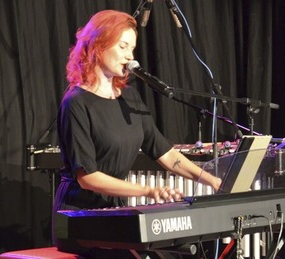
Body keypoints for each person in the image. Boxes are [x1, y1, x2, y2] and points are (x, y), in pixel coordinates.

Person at [52, 10, 222, 256]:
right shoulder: (76, 103)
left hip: (115, 212)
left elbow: (164, 153)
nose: (130, 57)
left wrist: (214, 181)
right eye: (123, 47)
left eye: (132, 49)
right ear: (98, 45)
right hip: (79, 217)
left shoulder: (130, 97)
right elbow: (88, 178)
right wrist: (149, 191)